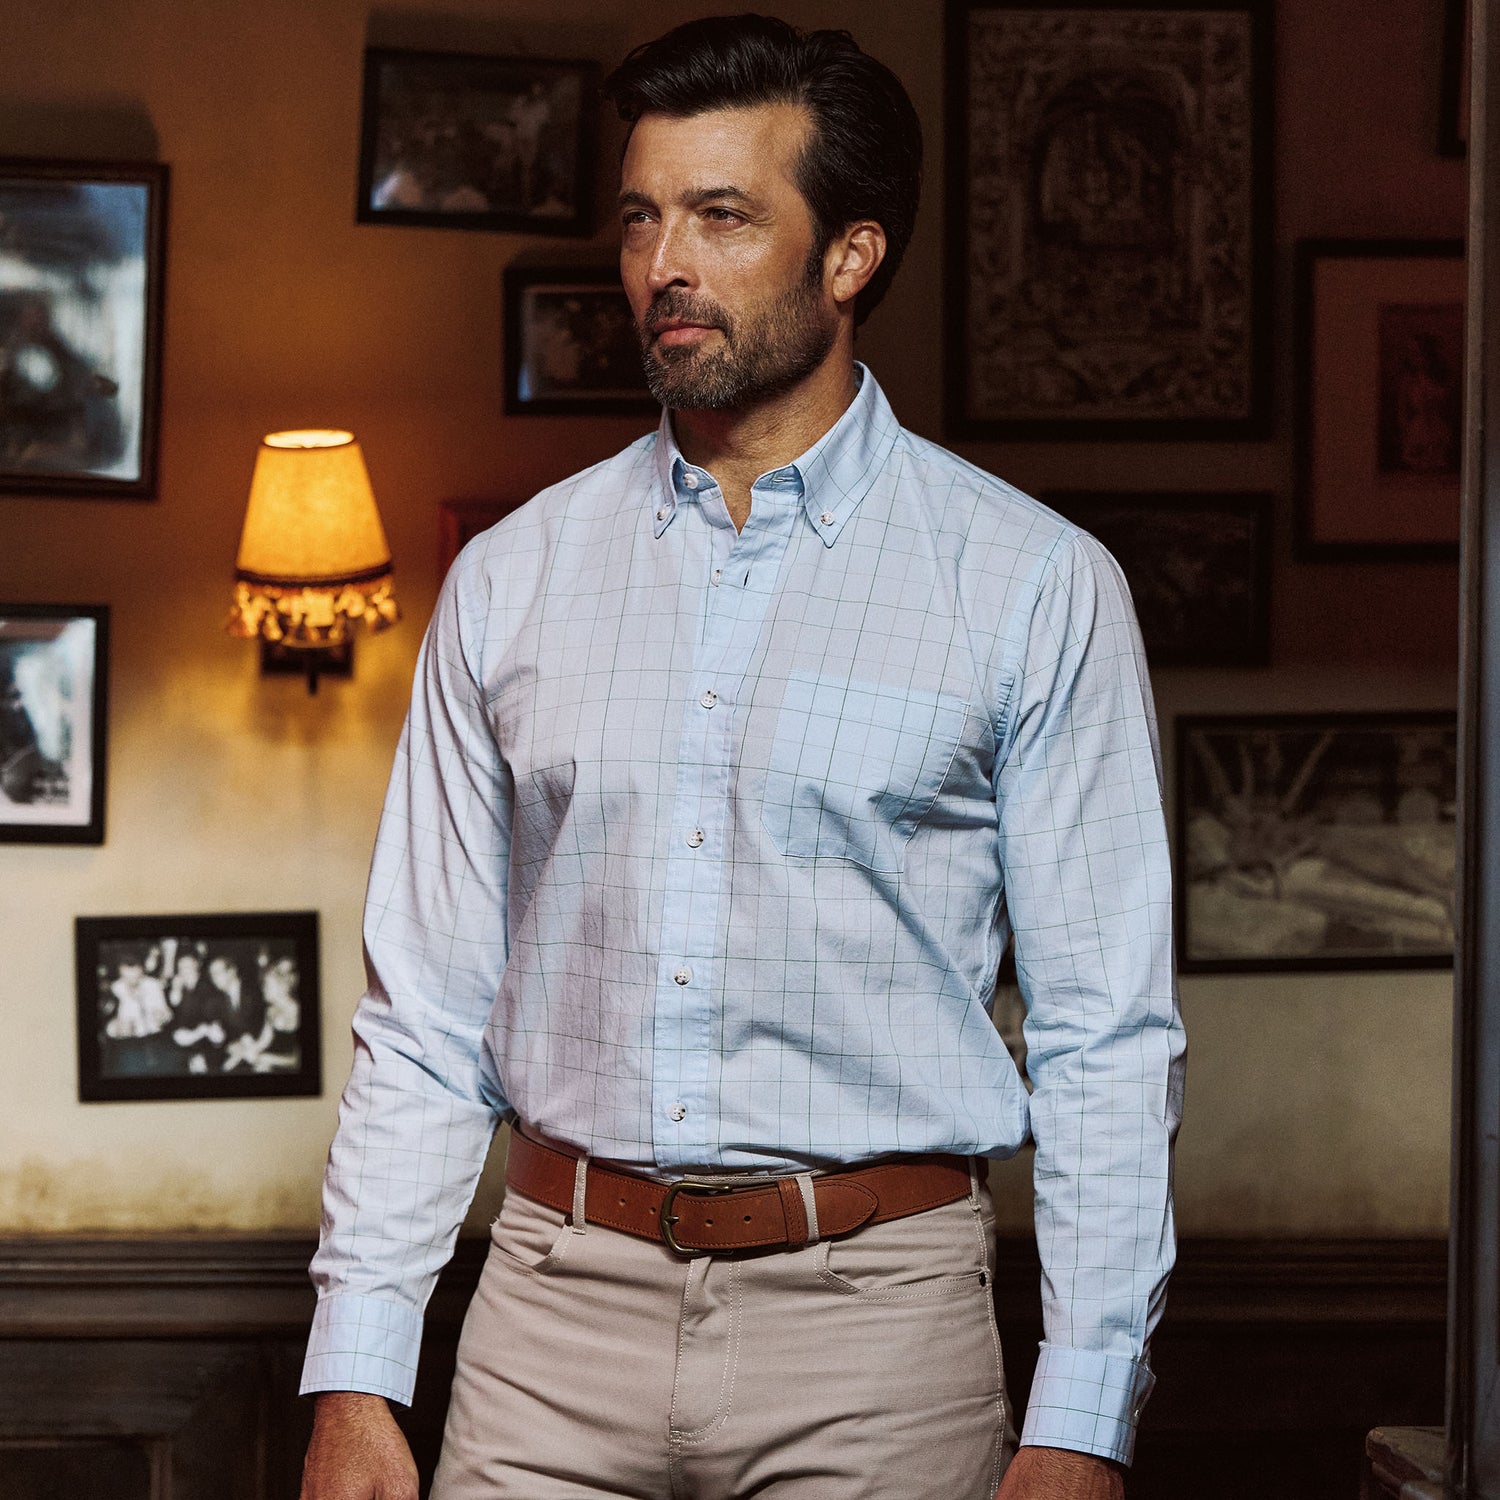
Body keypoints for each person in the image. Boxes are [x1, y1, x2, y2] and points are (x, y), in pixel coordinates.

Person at [299, 16, 1184, 1500]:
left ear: (850, 256)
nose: (666, 265)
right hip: (548, 1315)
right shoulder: (513, 581)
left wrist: (1082, 1417)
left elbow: (1105, 1036)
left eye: (723, 215)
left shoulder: (1033, 584)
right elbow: (427, 1013)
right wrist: (354, 1372)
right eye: (643, 216)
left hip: (879, 1334)